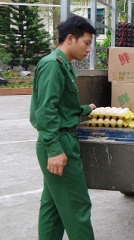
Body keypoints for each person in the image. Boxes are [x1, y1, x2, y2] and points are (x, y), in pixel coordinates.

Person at [30, 15, 97, 240]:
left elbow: (62, 106)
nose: (88, 49)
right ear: (70, 38)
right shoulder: (52, 65)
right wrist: (54, 149)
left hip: (59, 138)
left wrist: (86, 109)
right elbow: (46, 111)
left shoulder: (62, 65)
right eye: (86, 43)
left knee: (53, 208)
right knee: (77, 208)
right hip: (59, 141)